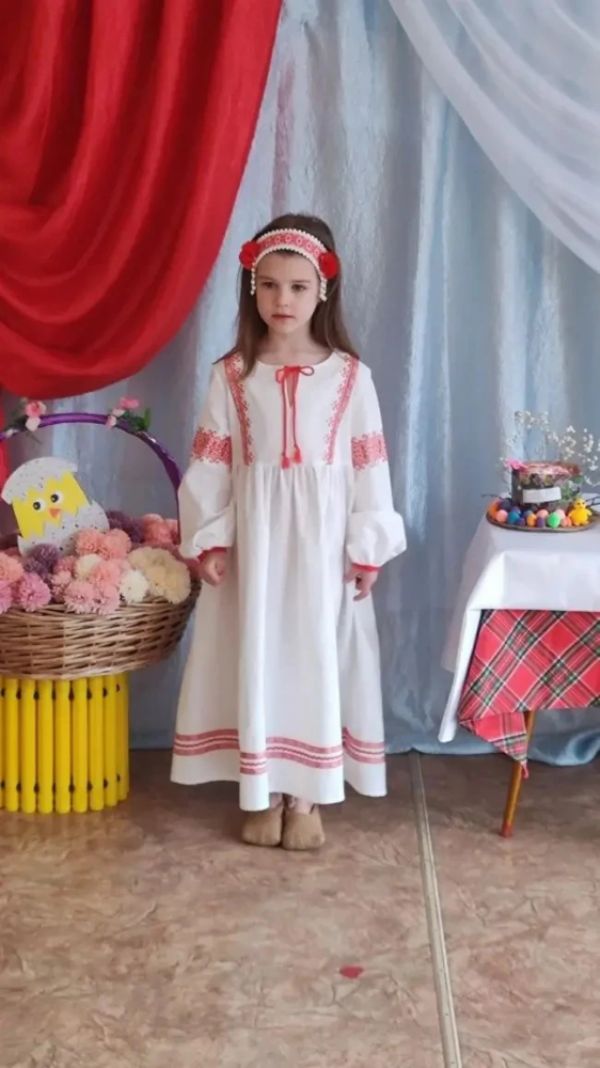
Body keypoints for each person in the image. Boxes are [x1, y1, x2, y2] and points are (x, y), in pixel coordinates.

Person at [171, 213, 406, 850]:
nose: (283, 300)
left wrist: (367, 547)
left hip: (324, 550)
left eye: (298, 287)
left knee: (314, 657)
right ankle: (264, 789)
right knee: (261, 654)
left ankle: (307, 795)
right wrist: (209, 538)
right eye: (270, 285)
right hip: (257, 548)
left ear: (323, 289)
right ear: (252, 288)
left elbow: (370, 467)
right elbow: (211, 465)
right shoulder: (231, 375)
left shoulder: (351, 378)